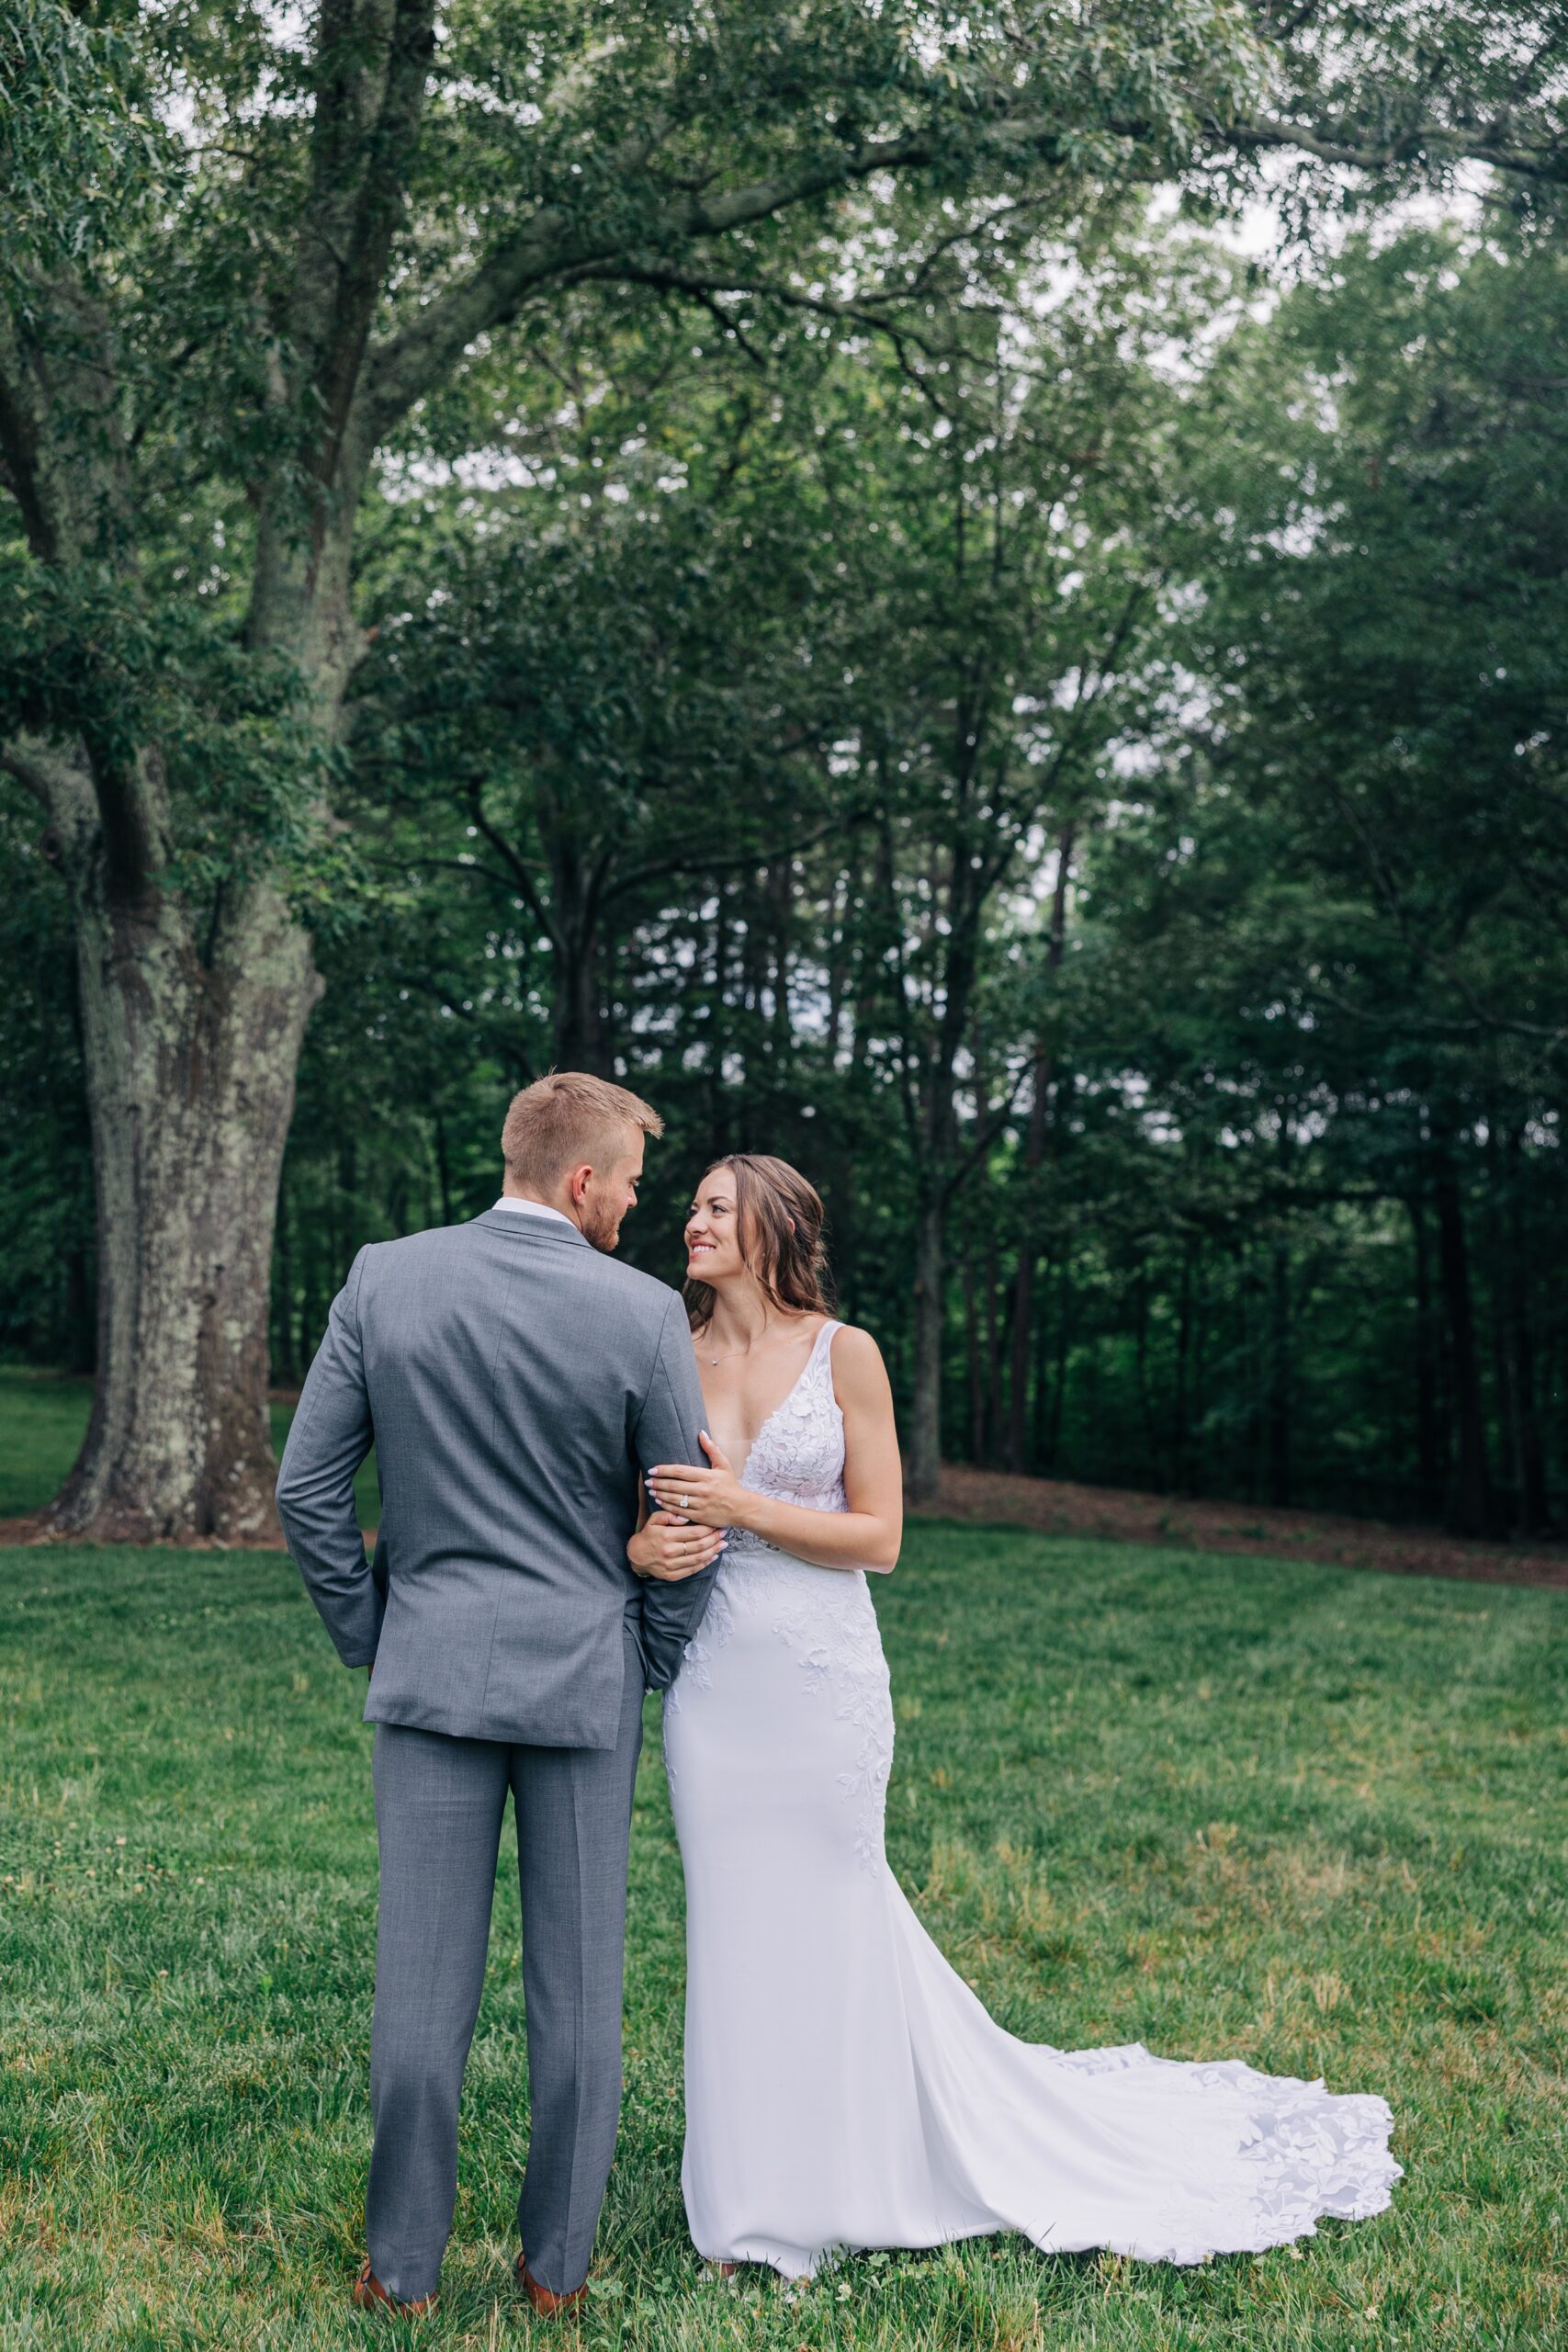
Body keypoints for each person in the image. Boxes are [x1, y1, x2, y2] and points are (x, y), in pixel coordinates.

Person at [637, 1152, 1401, 2278]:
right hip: (712, 1685)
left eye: (714, 1205)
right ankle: (748, 2198)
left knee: (832, 1909)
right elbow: (630, 1509)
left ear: (774, 1227)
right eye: (691, 1202)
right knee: (732, 1920)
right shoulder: (667, 1350)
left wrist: (743, 1504)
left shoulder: (846, 1354)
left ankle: (859, 2168)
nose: (690, 1219)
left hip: (819, 1677)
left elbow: (882, 1537)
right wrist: (644, 1547)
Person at [275, 1073, 722, 2320]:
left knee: (419, 1994)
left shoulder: (385, 1277)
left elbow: (307, 1493)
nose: (635, 1205)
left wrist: (378, 1635)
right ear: (580, 1182)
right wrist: (647, 1647)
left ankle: (403, 2272)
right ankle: (555, 2274)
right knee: (578, 2000)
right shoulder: (640, 1315)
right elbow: (683, 1511)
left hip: (428, 1680)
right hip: (584, 1684)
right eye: (629, 1182)